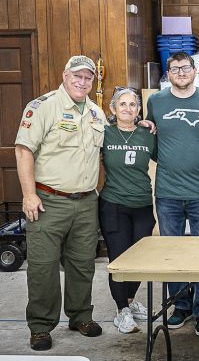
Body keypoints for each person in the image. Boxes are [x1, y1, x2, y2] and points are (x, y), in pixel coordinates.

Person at [15, 55, 106, 351]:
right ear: (65, 75)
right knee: (43, 267)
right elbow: (23, 150)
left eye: (88, 78)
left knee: (82, 265)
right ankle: (41, 326)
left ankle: (80, 316)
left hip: (86, 202)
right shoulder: (42, 107)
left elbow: (111, 146)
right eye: (77, 76)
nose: (83, 82)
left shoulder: (95, 112)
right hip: (47, 201)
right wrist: (29, 194)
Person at [146, 52, 199, 337]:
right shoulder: (156, 101)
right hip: (167, 190)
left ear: (194, 71)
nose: (180, 72)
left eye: (185, 67)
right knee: (172, 251)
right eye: (174, 68)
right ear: (168, 73)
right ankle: (180, 306)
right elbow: (150, 132)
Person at [99, 88, 157, 333]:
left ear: (138, 110)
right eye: (122, 104)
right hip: (113, 204)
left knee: (139, 259)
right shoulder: (104, 133)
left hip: (142, 204)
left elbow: (166, 158)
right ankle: (121, 309)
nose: (128, 108)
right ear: (113, 109)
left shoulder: (148, 134)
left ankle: (131, 303)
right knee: (119, 259)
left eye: (133, 104)